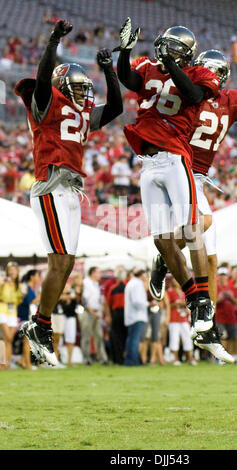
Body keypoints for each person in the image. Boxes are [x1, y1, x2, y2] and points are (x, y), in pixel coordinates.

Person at [150, 49, 237, 361]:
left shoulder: (230, 100)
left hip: (197, 177)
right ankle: (165, 256)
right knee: (203, 224)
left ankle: (204, 325)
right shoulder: (187, 93)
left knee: (210, 259)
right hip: (175, 168)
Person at [15, 20, 123, 366]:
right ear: (62, 85)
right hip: (50, 184)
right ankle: (40, 324)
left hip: (73, 188)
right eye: (76, 87)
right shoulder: (47, 100)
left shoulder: (79, 112)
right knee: (60, 260)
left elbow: (116, 108)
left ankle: (41, 325)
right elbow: (43, 76)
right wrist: (53, 42)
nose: (82, 94)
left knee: (67, 262)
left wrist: (109, 72)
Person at [117, 18, 221, 340]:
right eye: (167, 46)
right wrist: (124, 51)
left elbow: (191, 96)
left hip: (175, 158)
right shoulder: (150, 67)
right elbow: (128, 78)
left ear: (187, 54)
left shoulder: (199, 74)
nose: (169, 51)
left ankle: (204, 299)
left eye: (176, 49)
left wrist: (170, 66)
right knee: (162, 241)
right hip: (148, 165)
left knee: (191, 228)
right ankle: (192, 297)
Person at [81, 267, 108, 365]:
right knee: (86, 336)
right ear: (93, 273)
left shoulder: (96, 284)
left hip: (96, 312)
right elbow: (84, 299)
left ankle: (102, 358)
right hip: (88, 312)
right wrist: (91, 311)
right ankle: (86, 359)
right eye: (98, 272)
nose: (100, 274)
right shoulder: (86, 283)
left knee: (99, 336)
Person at [167, 278, 197, 366]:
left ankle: (190, 358)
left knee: (187, 337)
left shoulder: (184, 292)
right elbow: (167, 305)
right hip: (174, 318)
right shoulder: (170, 292)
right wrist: (175, 304)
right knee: (174, 338)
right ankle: (175, 359)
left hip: (184, 317)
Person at [124, 269, 149, 366]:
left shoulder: (131, 283)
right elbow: (137, 301)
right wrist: (148, 304)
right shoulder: (137, 284)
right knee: (135, 340)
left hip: (132, 316)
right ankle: (133, 361)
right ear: (142, 275)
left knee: (131, 339)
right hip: (137, 316)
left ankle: (130, 360)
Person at [17, 269, 41, 369]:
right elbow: (29, 302)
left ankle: (22, 360)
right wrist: (40, 296)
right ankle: (28, 365)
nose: (39, 278)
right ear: (32, 276)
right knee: (27, 340)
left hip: (29, 316)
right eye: (37, 276)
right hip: (24, 316)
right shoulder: (25, 286)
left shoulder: (31, 288)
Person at [0, 262, 22, 368]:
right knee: (6, 337)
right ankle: (2, 363)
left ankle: (6, 363)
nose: (12, 272)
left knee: (9, 339)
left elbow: (18, 300)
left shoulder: (19, 285)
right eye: (10, 270)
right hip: (2, 309)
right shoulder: (3, 281)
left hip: (13, 312)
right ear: (7, 271)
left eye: (14, 270)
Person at [215, 267, 237, 359]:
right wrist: (219, 299)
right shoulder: (215, 287)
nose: (223, 277)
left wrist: (231, 297)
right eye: (221, 275)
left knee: (233, 338)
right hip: (220, 316)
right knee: (223, 337)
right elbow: (211, 302)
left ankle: (230, 355)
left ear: (227, 276)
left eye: (224, 275)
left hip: (231, 316)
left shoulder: (232, 287)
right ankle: (222, 357)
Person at [105, 266, 128, 365]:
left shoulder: (113, 288)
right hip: (125, 313)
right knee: (124, 336)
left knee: (116, 337)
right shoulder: (127, 286)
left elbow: (107, 303)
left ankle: (117, 359)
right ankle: (121, 358)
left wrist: (108, 316)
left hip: (116, 314)